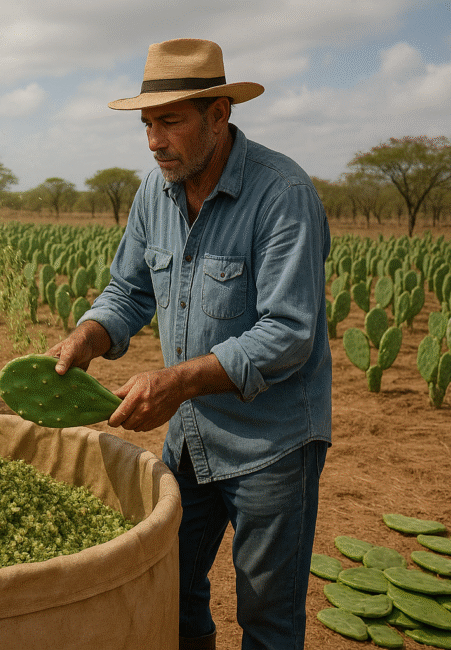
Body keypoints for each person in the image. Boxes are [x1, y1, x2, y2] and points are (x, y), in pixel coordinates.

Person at [47, 39, 332, 650]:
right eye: (147, 123)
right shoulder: (156, 192)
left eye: (169, 121)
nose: (153, 141)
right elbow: (127, 291)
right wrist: (86, 336)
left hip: (273, 444)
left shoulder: (282, 195)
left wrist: (174, 382)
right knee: (167, 585)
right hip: (194, 434)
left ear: (219, 115)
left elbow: (288, 334)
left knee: (266, 619)